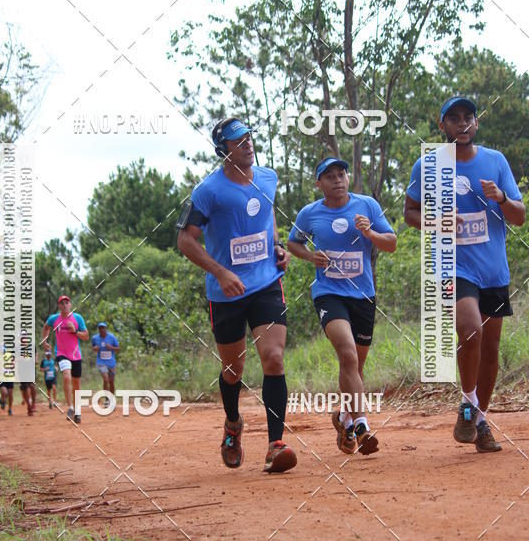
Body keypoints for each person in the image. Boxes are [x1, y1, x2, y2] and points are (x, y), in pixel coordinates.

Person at [404, 96, 525, 453]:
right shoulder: (428, 165)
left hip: (493, 270)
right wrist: (436, 220)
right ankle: (468, 404)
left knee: (490, 350)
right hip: (453, 265)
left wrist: (501, 197)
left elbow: (519, 216)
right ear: (442, 125)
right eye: (454, 118)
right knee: (470, 330)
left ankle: (480, 420)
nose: (462, 124)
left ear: (476, 123)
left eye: (468, 117)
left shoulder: (495, 161)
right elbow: (410, 212)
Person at [177, 117, 297, 474]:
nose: (247, 144)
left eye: (248, 137)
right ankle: (232, 425)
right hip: (226, 292)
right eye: (237, 140)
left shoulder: (268, 178)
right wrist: (220, 272)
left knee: (274, 358)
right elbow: (185, 240)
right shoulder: (207, 191)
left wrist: (276, 246)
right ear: (223, 150)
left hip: (266, 283)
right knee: (233, 369)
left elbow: (268, 213)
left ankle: (275, 445)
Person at [287, 157, 397, 456]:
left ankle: (344, 419)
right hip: (328, 294)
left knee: (355, 367)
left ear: (348, 178)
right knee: (347, 354)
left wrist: (370, 234)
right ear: (318, 183)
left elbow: (391, 243)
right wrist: (310, 256)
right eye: (329, 176)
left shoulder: (367, 206)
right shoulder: (310, 213)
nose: (337, 180)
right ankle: (361, 426)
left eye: (341, 174)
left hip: (363, 296)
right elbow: (293, 243)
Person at [41, 295, 88, 424]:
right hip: (61, 353)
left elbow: (86, 336)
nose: (64, 305)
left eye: (66, 303)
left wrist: (75, 331)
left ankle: (77, 411)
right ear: (59, 306)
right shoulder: (54, 319)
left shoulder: (77, 318)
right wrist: (44, 341)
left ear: (70, 305)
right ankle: (70, 407)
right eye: (62, 303)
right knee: (66, 376)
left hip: (76, 355)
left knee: (76, 383)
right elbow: (46, 327)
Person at [91, 322, 119, 404]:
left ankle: (111, 398)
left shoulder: (112, 337)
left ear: (106, 329)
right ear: (98, 330)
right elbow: (93, 347)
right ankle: (107, 399)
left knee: (111, 381)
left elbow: (118, 348)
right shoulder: (95, 338)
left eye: (103, 328)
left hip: (111, 362)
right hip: (101, 361)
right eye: (100, 328)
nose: (102, 330)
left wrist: (111, 347)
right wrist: (95, 348)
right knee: (106, 379)